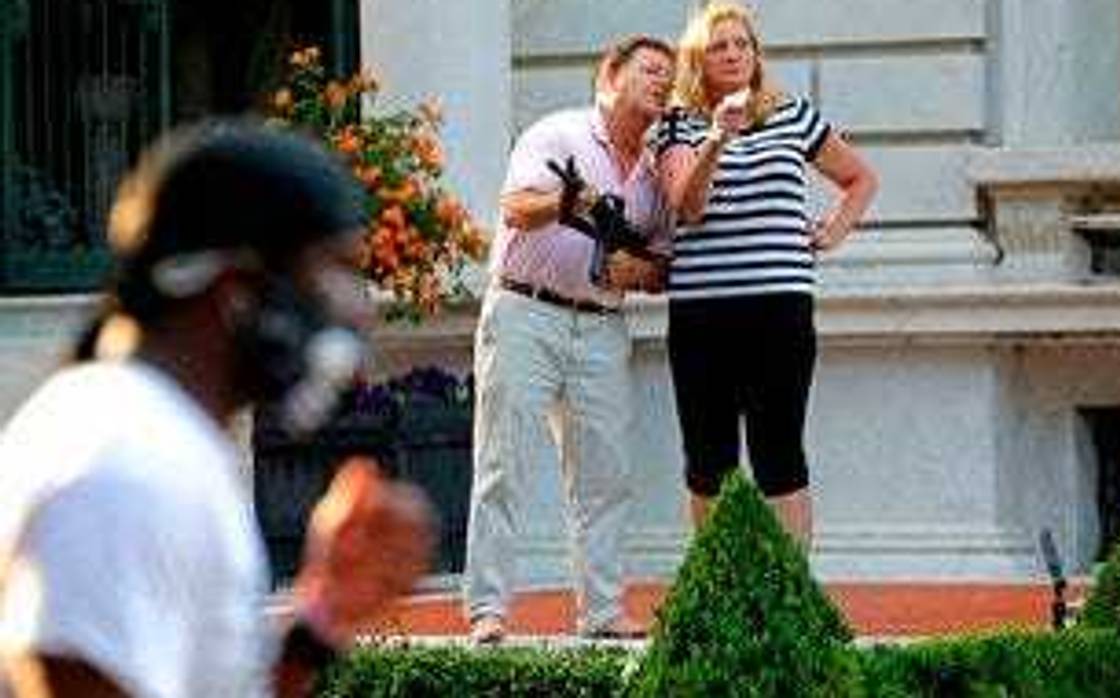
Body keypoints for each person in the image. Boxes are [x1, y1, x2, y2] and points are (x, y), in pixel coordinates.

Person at [0, 121, 433, 698]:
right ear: (237, 292)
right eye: (335, 269)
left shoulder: (161, 440)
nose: (360, 309)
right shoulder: (126, 464)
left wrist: (317, 623)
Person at [465, 35, 675, 643]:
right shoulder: (559, 134)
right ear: (610, 76)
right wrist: (569, 201)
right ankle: (488, 611)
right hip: (525, 311)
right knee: (502, 463)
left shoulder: (657, 172)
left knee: (605, 474)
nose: (662, 82)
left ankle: (604, 612)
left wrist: (640, 273)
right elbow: (513, 206)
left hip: (604, 325)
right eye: (650, 70)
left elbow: (662, 260)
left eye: (669, 76)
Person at [653, 2, 878, 547]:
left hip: (780, 306)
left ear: (756, 55)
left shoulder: (792, 114)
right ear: (697, 61)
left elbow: (860, 178)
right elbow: (689, 207)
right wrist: (715, 140)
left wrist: (833, 231)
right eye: (718, 47)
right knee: (709, 457)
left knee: (780, 449)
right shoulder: (678, 126)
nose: (732, 54)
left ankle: (790, 594)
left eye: (741, 44)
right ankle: (721, 588)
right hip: (703, 311)